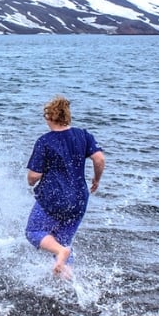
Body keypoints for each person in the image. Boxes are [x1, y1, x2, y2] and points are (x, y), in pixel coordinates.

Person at [26, 95, 105, 278]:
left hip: (53, 198)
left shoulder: (45, 141)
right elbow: (99, 159)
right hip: (78, 199)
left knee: (34, 232)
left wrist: (30, 181)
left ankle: (61, 255)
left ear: (49, 117)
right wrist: (97, 179)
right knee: (63, 241)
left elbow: (34, 175)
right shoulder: (83, 135)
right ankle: (69, 284)